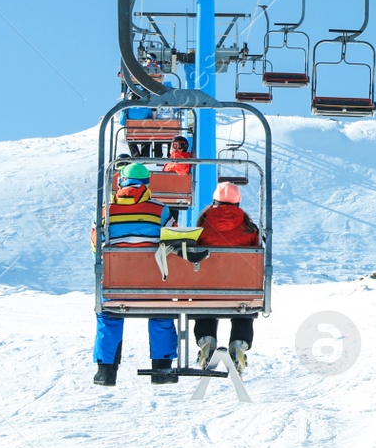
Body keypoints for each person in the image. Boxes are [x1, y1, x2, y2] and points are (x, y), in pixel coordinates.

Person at [94, 162, 179, 386]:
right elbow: (173, 241)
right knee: (162, 314)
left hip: (116, 286)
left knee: (108, 317)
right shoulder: (160, 209)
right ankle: (161, 368)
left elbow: (96, 245)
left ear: (121, 181)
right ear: (146, 184)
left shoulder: (105, 210)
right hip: (153, 287)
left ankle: (106, 371)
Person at [191, 181, 260, 373]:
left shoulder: (203, 222)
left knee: (206, 301)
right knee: (243, 307)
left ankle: (207, 340)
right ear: (237, 204)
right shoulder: (248, 227)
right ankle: (239, 344)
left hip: (208, 287)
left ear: (215, 201)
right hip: (240, 288)